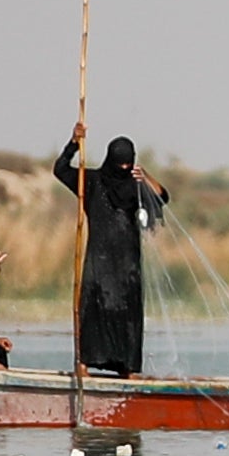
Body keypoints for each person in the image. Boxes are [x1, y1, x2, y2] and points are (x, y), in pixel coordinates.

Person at [54, 131, 167, 377]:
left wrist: (145, 176)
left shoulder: (136, 186)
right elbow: (61, 169)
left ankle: (128, 369)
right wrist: (74, 143)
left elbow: (162, 198)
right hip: (99, 261)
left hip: (128, 266)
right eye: (121, 164)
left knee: (128, 315)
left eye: (129, 164)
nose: (124, 168)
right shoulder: (92, 181)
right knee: (92, 311)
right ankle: (83, 365)